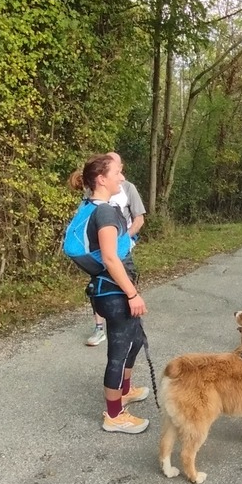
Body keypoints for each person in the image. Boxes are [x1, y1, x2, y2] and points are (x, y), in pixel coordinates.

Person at [68, 153, 151, 434]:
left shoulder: (92, 206)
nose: (122, 178)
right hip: (114, 292)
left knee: (135, 340)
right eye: (117, 173)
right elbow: (110, 257)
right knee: (119, 351)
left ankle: (124, 391)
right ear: (102, 179)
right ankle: (114, 415)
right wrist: (132, 294)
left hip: (110, 289)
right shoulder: (104, 212)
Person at [86, 152, 147, 347]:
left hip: (122, 247)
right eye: (115, 170)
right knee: (99, 284)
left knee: (121, 284)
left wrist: (124, 239)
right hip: (102, 250)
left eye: (118, 168)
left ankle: (129, 322)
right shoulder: (97, 195)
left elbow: (139, 219)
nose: (120, 175)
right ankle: (100, 328)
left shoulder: (128, 188)